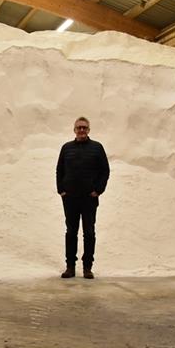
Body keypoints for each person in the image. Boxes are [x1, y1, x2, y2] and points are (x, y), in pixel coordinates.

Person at [55, 117, 110, 279]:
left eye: (84, 128)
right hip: (70, 198)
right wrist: (61, 190)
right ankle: (70, 267)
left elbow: (105, 171)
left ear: (89, 130)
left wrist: (98, 190)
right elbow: (59, 170)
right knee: (71, 232)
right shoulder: (66, 148)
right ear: (74, 130)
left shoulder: (97, 148)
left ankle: (87, 267)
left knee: (89, 232)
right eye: (79, 127)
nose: (81, 130)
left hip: (89, 198)